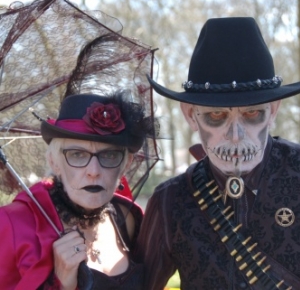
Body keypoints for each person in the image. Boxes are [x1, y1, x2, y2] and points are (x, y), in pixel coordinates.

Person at [136, 17, 300, 289]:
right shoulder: (170, 201)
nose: (236, 136)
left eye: (251, 113)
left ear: (273, 111)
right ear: (191, 116)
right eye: (215, 115)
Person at [0, 33, 159, 289]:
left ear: (126, 164)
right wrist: (63, 280)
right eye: (77, 155)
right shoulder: (12, 226)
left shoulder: (128, 218)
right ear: (54, 161)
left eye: (108, 155)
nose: (93, 172)